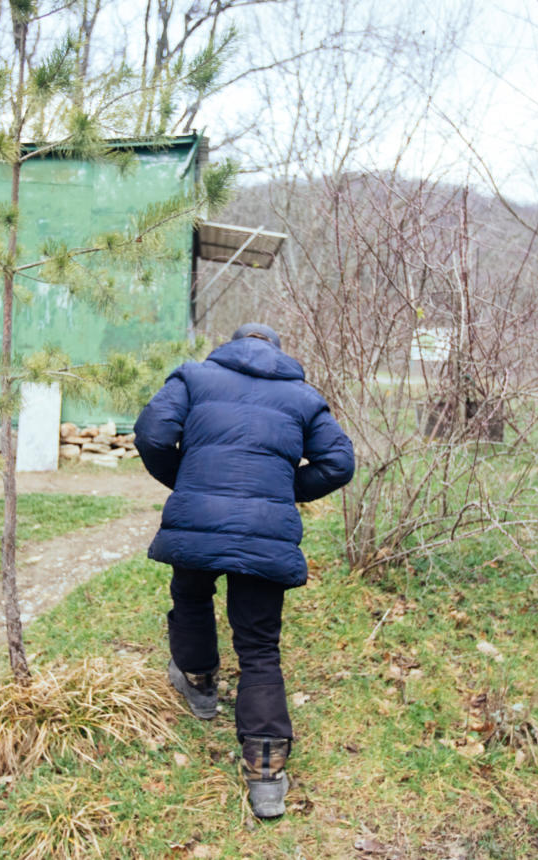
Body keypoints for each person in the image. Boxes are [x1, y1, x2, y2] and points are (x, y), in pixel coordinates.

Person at [133, 322, 355, 819]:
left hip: (198, 518)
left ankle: (199, 682)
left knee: (191, 596)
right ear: (277, 353)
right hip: (265, 527)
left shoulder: (192, 377)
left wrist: (190, 481)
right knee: (258, 644)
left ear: (231, 347)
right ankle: (266, 773)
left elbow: (150, 433)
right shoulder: (301, 396)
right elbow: (339, 462)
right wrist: (277, 489)